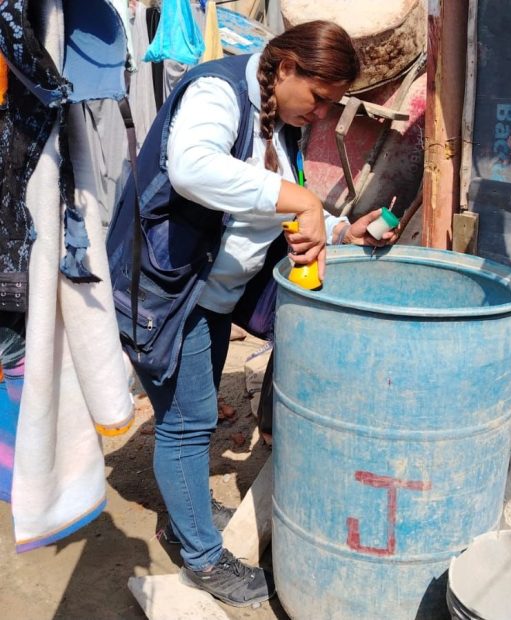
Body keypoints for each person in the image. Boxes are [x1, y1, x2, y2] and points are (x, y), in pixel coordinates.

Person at [106, 20, 398, 608]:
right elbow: (192, 167)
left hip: (210, 295)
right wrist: (304, 201)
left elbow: (267, 196)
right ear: (286, 67)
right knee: (186, 425)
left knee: (192, 416)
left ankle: (183, 511)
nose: (320, 115)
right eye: (319, 99)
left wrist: (340, 228)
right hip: (171, 291)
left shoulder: (275, 115)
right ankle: (202, 559)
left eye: (332, 106)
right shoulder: (216, 93)